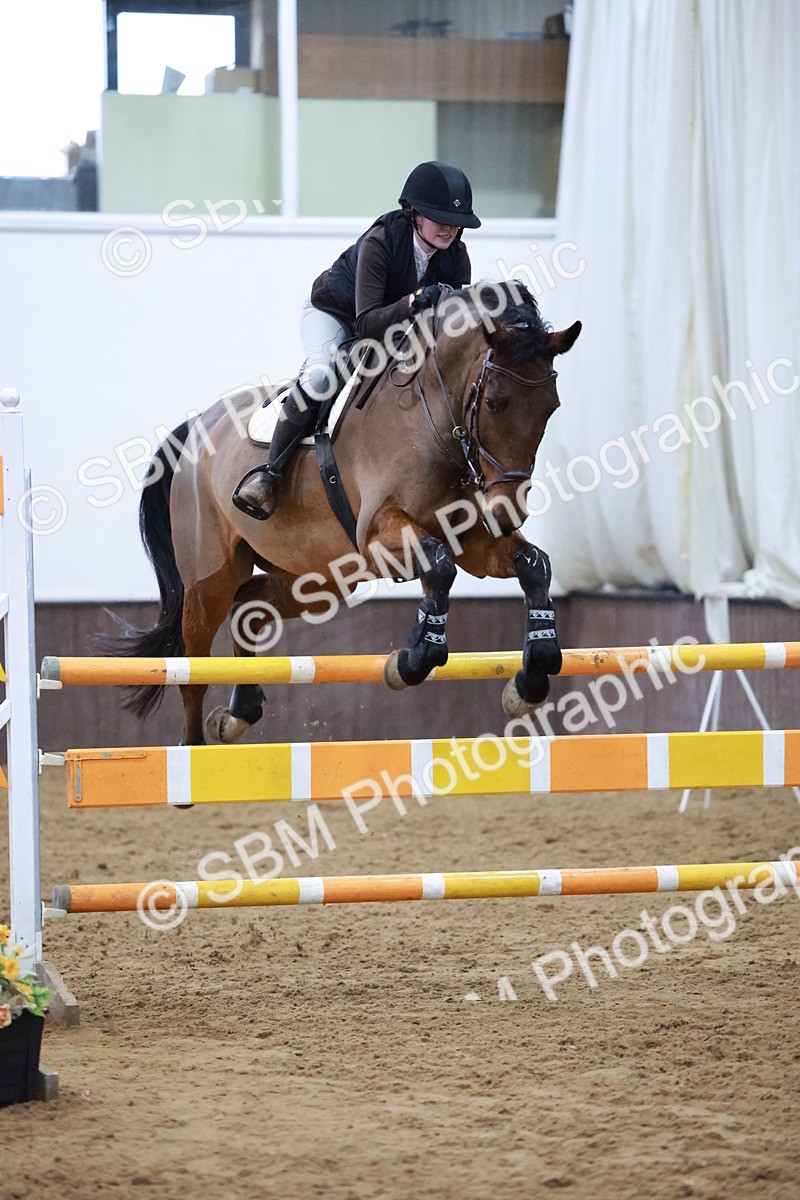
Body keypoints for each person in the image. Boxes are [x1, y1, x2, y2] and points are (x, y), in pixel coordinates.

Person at [233, 160, 481, 519]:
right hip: (336, 316)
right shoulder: (381, 241)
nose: (450, 229)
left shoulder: (457, 257)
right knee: (321, 377)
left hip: (394, 328)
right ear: (414, 215)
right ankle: (269, 474)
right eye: (440, 218)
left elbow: (449, 330)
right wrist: (413, 302)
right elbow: (366, 324)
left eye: (456, 223)